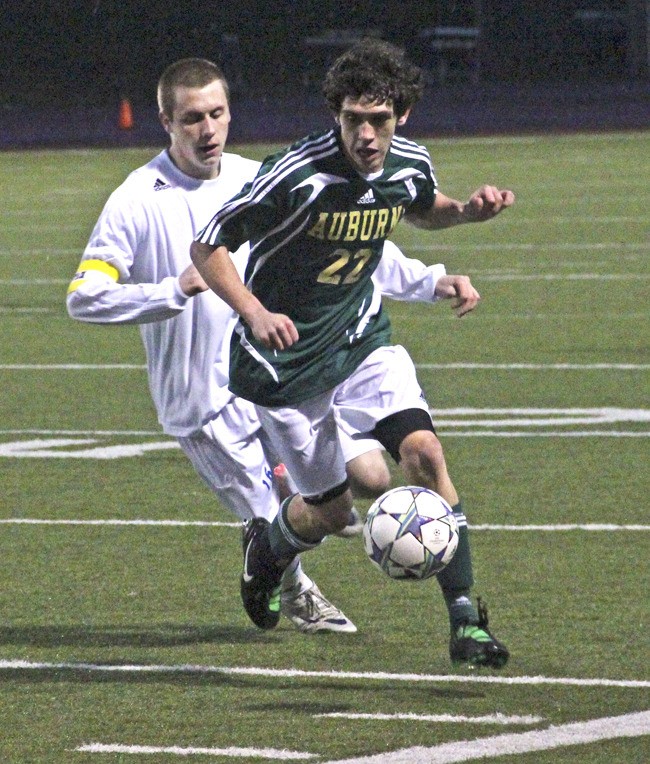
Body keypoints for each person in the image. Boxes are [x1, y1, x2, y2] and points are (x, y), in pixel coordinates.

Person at [190, 39, 515, 668]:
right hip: (285, 366)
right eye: (352, 120)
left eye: (380, 120)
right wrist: (253, 311)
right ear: (334, 114)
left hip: (361, 337)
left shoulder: (407, 162)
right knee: (336, 511)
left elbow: (424, 208)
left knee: (424, 454)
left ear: (403, 116)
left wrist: (467, 215)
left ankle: (466, 620)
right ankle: (270, 549)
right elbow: (208, 246)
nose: (366, 135)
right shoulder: (296, 175)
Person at [66, 57, 394, 635]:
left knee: (364, 481)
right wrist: (171, 290)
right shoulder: (136, 198)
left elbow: (345, 244)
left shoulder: (255, 177)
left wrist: (427, 278)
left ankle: (279, 525)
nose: (208, 129)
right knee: (273, 519)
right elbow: (84, 295)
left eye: (217, 113)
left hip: (273, 376)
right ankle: (291, 591)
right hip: (201, 401)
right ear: (166, 120)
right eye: (192, 118)